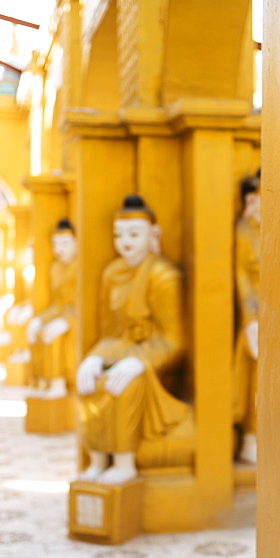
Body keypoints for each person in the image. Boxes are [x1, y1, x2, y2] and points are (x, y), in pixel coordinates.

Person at [75, 195, 188, 485]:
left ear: (154, 235)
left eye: (134, 234)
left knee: (126, 383)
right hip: (121, 348)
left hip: (153, 355)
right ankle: (98, 458)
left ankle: (124, 462)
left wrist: (140, 361)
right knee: (89, 381)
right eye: (119, 235)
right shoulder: (112, 273)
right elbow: (110, 333)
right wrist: (96, 357)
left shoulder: (164, 276)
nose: (125, 242)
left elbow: (174, 341)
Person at [27, 220, 77, 397]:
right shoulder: (54, 267)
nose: (59, 249)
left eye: (65, 243)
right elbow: (56, 304)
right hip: (60, 312)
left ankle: (59, 382)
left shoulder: (80, 267)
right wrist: (39, 318)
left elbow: (82, 305)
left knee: (55, 334)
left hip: (77, 318)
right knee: (37, 329)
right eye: (55, 244)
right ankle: (42, 378)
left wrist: (67, 322)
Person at [233, 172, 260, 464]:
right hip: (255, 313)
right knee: (255, 379)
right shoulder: (244, 231)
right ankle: (250, 437)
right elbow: (241, 276)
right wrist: (250, 319)